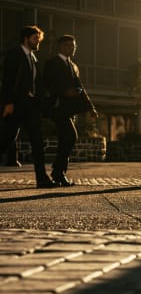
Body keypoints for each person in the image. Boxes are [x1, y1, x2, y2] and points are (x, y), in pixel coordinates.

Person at [0, 25, 57, 188]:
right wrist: (9, 103)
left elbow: (36, 84)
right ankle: (42, 178)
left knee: (37, 141)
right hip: (17, 105)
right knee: (6, 139)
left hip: (31, 106)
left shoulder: (33, 58)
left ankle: (42, 179)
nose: (37, 41)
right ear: (26, 38)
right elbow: (8, 80)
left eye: (38, 38)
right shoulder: (15, 55)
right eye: (34, 38)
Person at [43, 34, 97, 186]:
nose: (71, 48)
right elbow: (46, 84)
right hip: (58, 108)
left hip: (70, 110)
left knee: (65, 140)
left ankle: (59, 173)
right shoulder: (52, 63)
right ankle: (58, 171)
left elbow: (81, 88)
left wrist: (91, 108)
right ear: (60, 46)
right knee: (71, 136)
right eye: (68, 45)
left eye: (73, 46)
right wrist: (64, 92)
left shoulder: (73, 65)